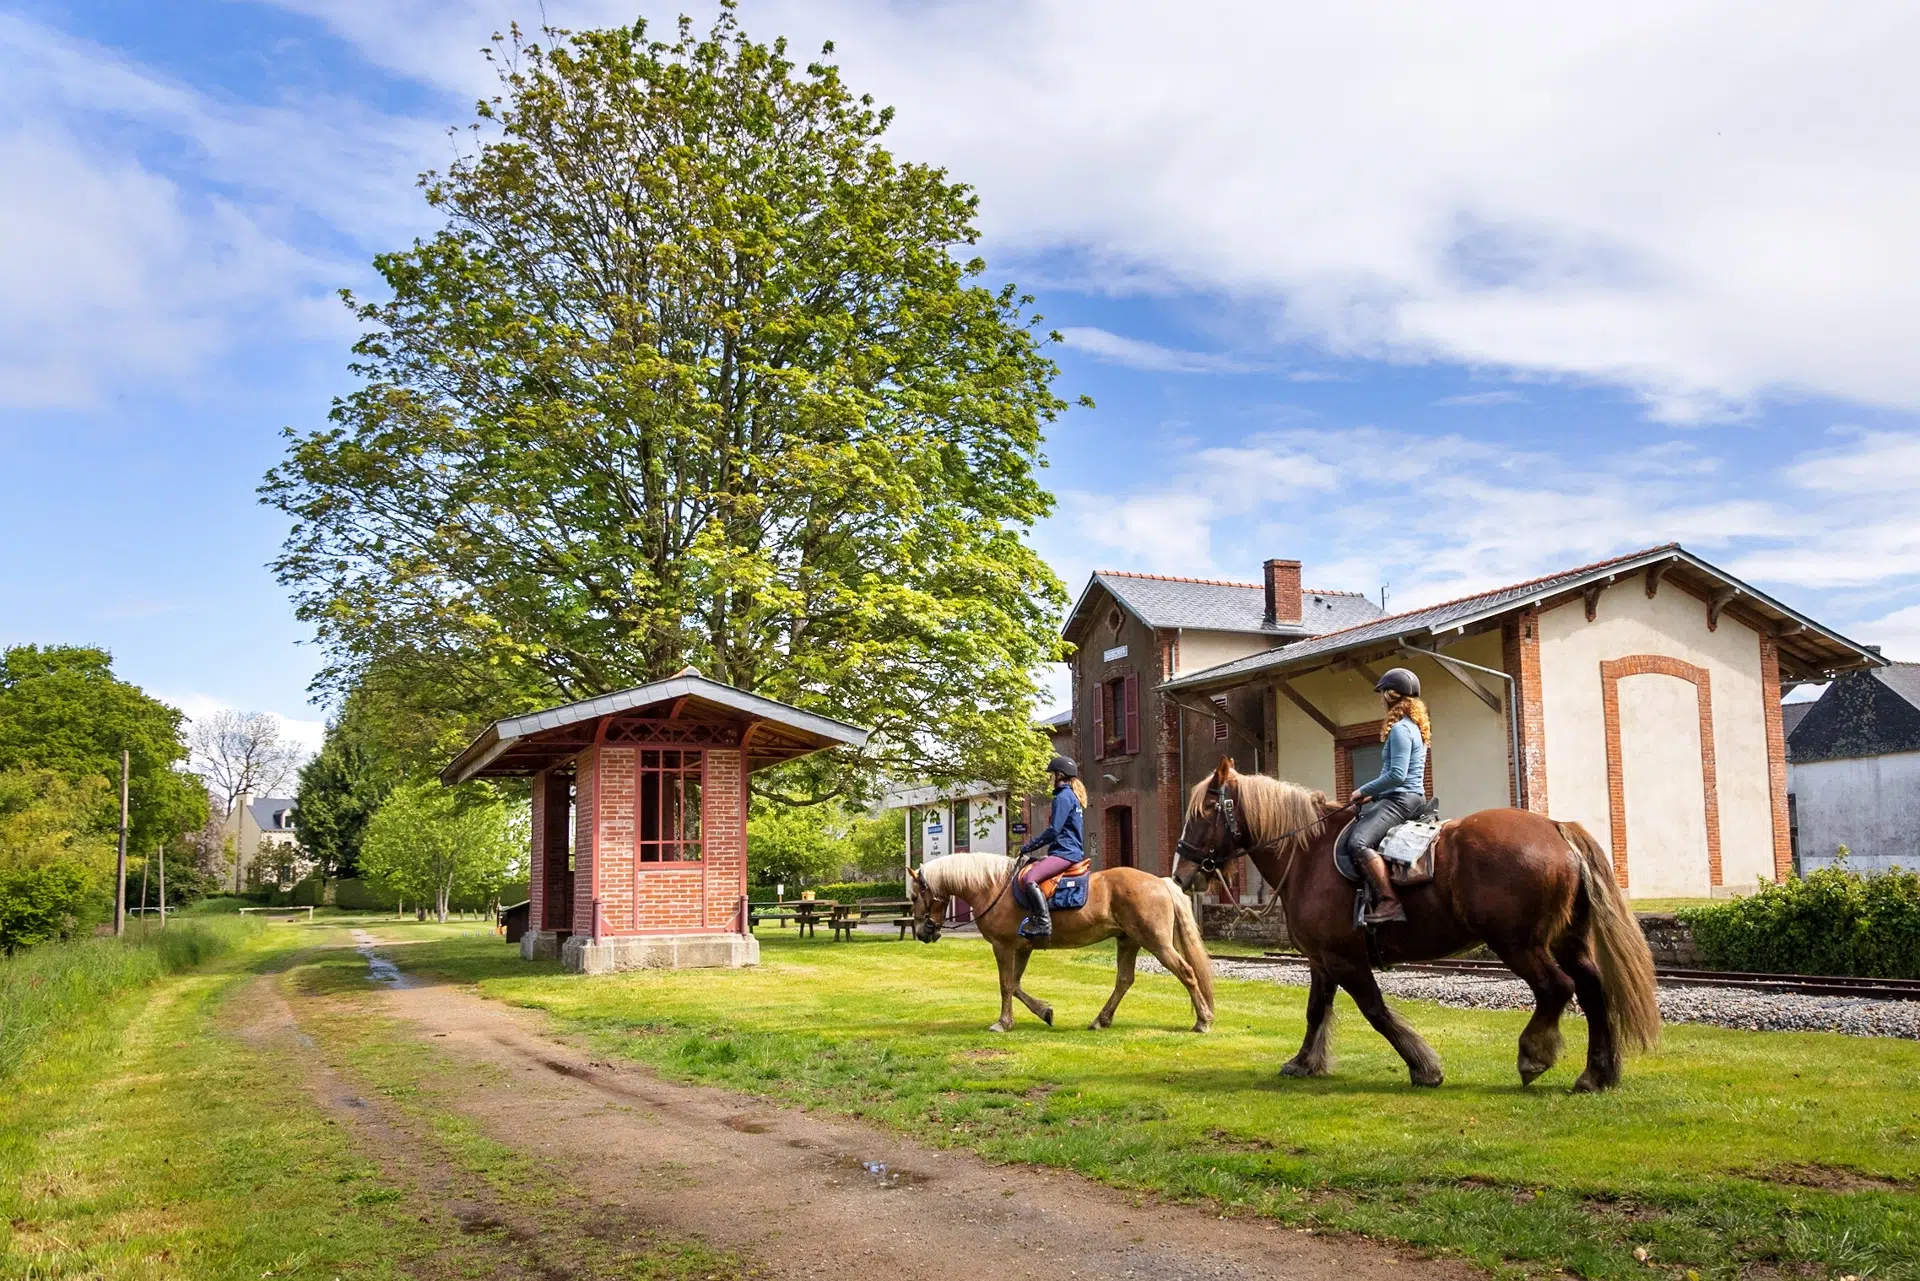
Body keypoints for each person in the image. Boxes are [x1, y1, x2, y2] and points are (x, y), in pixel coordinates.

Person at [1341, 668, 1432, 925]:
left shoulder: (1401, 730)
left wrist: (1363, 790)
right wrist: (1374, 796)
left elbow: (1397, 775)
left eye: (1382, 693)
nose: (1380, 699)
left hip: (1401, 800)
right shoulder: (1415, 727)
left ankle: (1389, 902)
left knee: (1358, 842)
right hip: (1406, 797)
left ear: (1391, 695)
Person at [1014, 755, 1086, 939]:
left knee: (1030, 879)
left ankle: (1043, 923)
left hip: (1065, 853)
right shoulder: (1072, 796)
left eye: (1052, 774)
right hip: (1068, 851)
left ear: (1059, 775)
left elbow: (1054, 830)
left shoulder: (1062, 797)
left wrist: (1028, 847)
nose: (1050, 778)